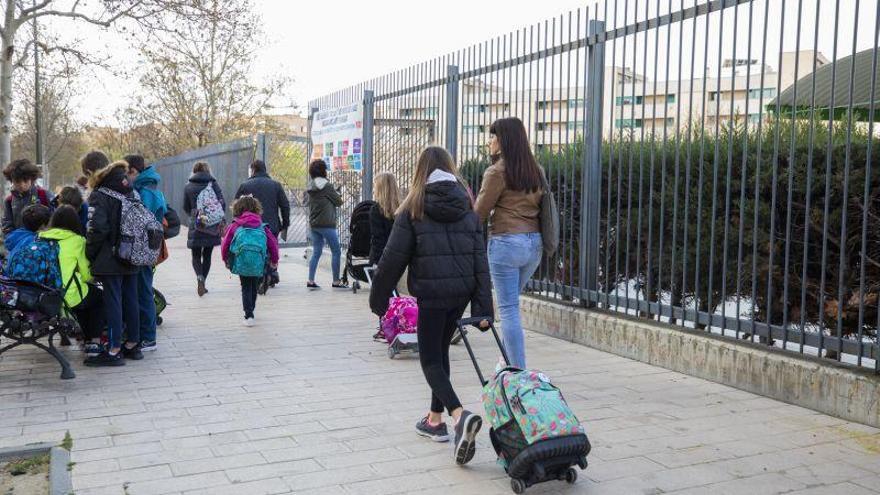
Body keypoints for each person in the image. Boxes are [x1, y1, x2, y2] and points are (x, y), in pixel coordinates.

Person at [369, 146, 492, 465]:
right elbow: (481, 259)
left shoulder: (415, 205)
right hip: (460, 294)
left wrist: (379, 299)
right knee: (442, 351)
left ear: (420, 171)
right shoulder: (468, 204)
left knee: (430, 359)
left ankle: (458, 414)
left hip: (432, 294)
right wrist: (482, 309)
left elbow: (392, 258)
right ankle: (434, 419)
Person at [474, 117, 544, 370]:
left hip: (506, 243)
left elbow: (479, 213)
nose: (489, 141)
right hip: (533, 245)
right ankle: (506, 359)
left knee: (509, 309)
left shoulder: (496, 172)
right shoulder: (535, 169)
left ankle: (517, 371)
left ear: (502, 141)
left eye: (492, 136)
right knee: (512, 301)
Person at [83, 156, 141, 366]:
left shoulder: (100, 194)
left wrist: (90, 252)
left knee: (113, 301)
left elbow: (97, 228)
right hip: (133, 253)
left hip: (110, 256)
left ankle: (114, 349)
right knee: (131, 298)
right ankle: (133, 344)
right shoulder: (131, 189)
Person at [39, 205, 105, 357]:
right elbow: (87, 274)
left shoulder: (41, 237)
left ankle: (84, 337)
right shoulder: (77, 240)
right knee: (98, 298)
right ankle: (93, 342)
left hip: (44, 295)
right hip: (66, 296)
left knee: (83, 297)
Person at [125, 154, 167, 353]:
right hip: (147, 248)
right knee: (142, 290)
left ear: (134, 171)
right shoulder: (147, 188)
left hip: (144, 249)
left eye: (128, 173)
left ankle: (148, 338)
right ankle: (145, 335)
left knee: (143, 291)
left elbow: (142, 222)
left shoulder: (146, 192)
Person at [221, 196, 279, 327]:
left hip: (242, 261)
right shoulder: (262, 227)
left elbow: (226, 243)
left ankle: (249, 314)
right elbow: (273, 244)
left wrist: (225, 258)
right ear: (256, 208)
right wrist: (274, 260)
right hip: (259, 262)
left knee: (245, 286)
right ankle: (251, 308)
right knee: (254, 284)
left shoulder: (235, 225)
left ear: (237, 209)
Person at [234, 160, 289, 286]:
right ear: (265, 169)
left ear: (252, 170)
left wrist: (237, 222)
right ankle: (271, 273)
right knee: (271, 248)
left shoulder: (245, 185)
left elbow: (236, 206)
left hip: (251, 225)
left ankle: (258, 275)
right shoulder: (276, 185)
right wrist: (285, 224)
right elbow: (285, 206)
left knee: (256, 248)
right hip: (272, 225)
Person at [183, 161, 225, 296]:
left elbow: (185, 207)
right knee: (207, 254)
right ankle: (203, 282)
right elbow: (221, 203)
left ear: (194, 171)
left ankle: (199, 277)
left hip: (197, 222)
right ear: (208, 171)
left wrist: (195, 214)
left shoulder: (188, 186)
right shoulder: (214, 184)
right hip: (212, 224)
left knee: (195, 254)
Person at [306, 159, 345, 289]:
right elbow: (339, 202)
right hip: (327, 224)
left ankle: (310, 280)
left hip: (313, 224)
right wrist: (337, 192)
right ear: (324, 171)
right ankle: (336, 282)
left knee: (317, 252)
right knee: (336, 252)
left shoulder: (310, 185)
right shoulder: (327, 186)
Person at [2, 158, 53, 235]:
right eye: (17, 181)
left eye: (25, 180)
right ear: (12, 181)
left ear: (32, 179)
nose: (22, 185)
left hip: (42, 243)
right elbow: (7, 226)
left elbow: (55, 218)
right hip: (19, 244)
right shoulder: (9, 201)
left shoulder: (44, 194)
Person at [369, 172, 400, 266]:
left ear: (380, 189)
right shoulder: (403, 208)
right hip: (400, 256)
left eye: (375, 186)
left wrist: (376, 262)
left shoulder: (376, 210)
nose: (373, 190)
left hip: (382, 257)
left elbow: (378, 239)